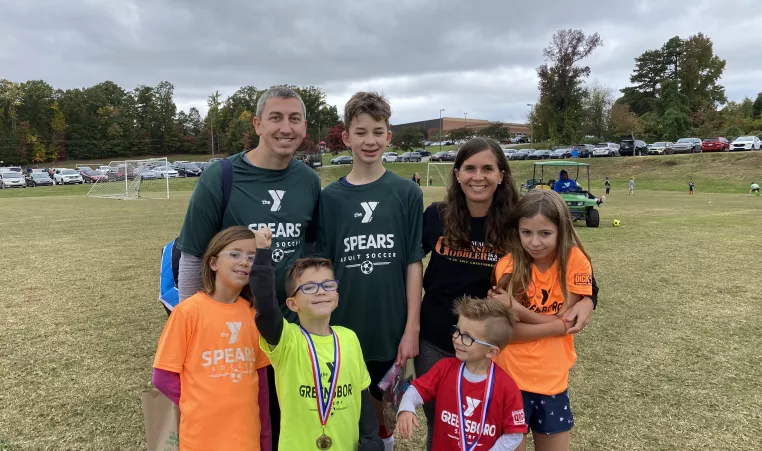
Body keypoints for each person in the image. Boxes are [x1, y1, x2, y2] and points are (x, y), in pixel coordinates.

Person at [416, 137, 599, 451]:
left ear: (502, 174)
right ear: (457, 173)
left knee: (486, 432)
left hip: (493, 344)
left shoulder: (518, 217)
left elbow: (569, 260)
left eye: (488, 168)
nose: (478, 176)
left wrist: (590, 299)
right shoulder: (436, 215)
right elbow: (406, 263)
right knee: (445, 430)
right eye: (470, 168)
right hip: (436, 339)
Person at [175, 86, 322, 448]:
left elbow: (309, 253)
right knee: (241, 427)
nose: (285, 128)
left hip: (289, 333)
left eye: (294, 119)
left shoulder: (308, 181)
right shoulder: (221, 177)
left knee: (287, 424)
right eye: (275, 117)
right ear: (257, 124)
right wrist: (195, 327)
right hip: (235, 335)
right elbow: (194, 256)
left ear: (304, 127)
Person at [316, 92, 424, 451]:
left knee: (384, 420)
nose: (370, 141)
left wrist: (411, 328)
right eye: (361, 132)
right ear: (346, 137)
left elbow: (412, 263)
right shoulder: (329, 199)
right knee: (343, 416)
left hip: (390, 329)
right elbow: (324, 268)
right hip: (343, 329)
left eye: (378, 132)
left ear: (389, 137)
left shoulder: (406, 192)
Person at [248, 227, 383, 451]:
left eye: (327, 285)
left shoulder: (349, 338)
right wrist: (263, 254)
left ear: (336, 297)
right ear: (292, 304)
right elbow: (265, 309)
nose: (321, 292)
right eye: (309, 287)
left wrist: (371, 439)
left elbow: (362, 395)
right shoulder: (287, 341)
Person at [488, 190, 593, 451]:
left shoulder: (576, 262)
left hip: (553, 380)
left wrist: (518, 310)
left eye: (545, 233)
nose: (534, 242)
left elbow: (566, 318)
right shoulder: (508, 266)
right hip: (508, 379)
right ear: (517, 231)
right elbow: (508, 333)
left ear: (562, 230)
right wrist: (557, 326)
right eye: (527, 233)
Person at [152, 226, 272, 451]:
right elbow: (163, 376)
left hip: (247, 439)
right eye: (235, 254)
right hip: (201, 439)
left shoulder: (253, 315)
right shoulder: (187, 312)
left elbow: (262, 389)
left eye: (251, 257)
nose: (244, 261)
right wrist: (198, 403)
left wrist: (265, 440)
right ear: (213, 262)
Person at [396, 297, 527, 450]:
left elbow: (514, 434)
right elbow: (416, 390)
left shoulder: (507, 387)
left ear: (491, 351)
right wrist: (406, 407)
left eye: (467, 338)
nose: (457, 340)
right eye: (457, 331)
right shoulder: (444, 368)